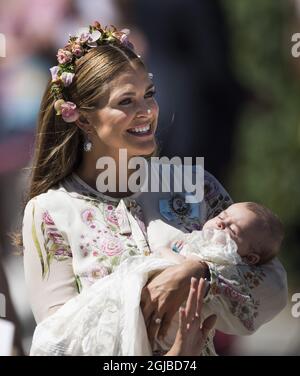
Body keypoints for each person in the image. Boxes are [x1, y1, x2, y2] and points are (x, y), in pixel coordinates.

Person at [20, 21, 288, 356]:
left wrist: (198, 271)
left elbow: (272, 283)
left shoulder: (194, 185)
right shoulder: (49, 212)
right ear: (84, 118)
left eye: (149, 95)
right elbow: (57, 343)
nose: (146, 111)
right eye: (126, 101)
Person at [158, 201, 284, 267]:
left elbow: (184, 267)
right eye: (221, 216)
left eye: (233, 230)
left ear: (249, 258)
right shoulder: (195, 238)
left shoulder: (220, 259)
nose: (220, 223)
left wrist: (164, 250)